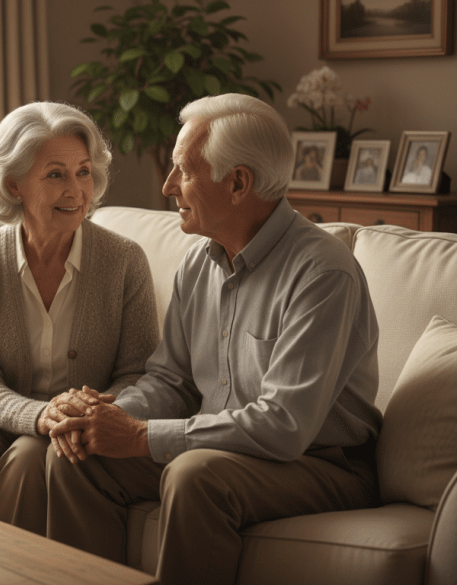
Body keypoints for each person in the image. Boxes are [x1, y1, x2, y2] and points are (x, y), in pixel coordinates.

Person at [43, 94, 381, 585]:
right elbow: (172, 382)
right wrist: (107, 413)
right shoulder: (200, 262)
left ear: (238, 182)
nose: (167, 185)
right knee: (77, 454)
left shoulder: (322, 272)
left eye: (183, 170)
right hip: (225, 451)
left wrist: (140, 437)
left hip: (321, 466)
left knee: (194, 474)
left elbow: (284, 425)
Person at [0, 101, 160, 536]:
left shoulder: (125, 260)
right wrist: (38, 415)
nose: (76, 190)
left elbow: (138, 373)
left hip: (75, 422)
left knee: (28, 459)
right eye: (55, 174)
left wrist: (84, 415)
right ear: (14, 185)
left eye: (83, 172)